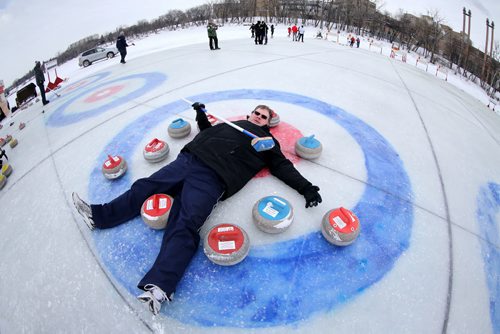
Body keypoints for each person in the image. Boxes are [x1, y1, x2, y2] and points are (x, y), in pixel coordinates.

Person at [72, 103, 322, 315]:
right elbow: (208, 132)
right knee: (144, 187)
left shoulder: (267, 141)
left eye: (263, 116)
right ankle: (99, 216)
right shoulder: (230, 125)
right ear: (249, 115)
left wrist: (306, 188)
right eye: (256, 113)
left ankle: (160, 286)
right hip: (188, 160)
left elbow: (281, 166)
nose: (258, 116)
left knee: (186, 221)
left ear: (268, 122)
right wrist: (201, 115)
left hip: (214, 176)